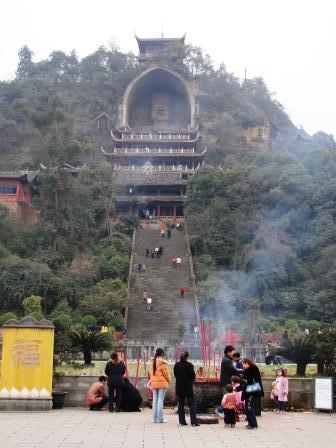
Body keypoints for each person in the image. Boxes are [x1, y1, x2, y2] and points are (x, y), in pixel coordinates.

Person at [173, 351, 200, 426]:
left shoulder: (176, 365)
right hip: (187, 387)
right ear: (187, 357)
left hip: (179, 386)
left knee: (181, 404)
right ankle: (193, 422)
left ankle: (182, 421)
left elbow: (175, 374)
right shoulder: (189, 365)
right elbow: (193, 377)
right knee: (192, 404)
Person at [241, 357, 263, 429]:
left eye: (243, 364)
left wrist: (244, 380)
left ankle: (253, 424)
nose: (243, 366)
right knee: (247, 407)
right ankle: (250, 423)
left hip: (253, 391)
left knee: (250, 407)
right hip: (248, 391)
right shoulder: (247, 370)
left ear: (247, 363)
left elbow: (251, 380)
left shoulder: (253, 369)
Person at [150, 348, 170, 423]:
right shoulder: (162, 362)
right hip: (162, 383)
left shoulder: (152, 362)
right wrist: (168, 381)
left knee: (155, 400)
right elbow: (166, 375)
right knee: (160, 401)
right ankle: (160, 419)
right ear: (161, 354)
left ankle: (154, 418)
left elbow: (150, 373)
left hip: (154, 383)